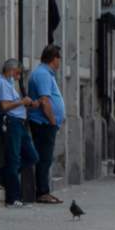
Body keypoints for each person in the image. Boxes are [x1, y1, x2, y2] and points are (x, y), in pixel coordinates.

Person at [0, 59, 38, 208]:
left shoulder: (9, 84)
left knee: (32, 156)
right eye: (18, 73)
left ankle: (2, 173)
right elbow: (5, 106)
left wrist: (29, 105)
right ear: (11, 70)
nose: (19, 77)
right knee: (14, 159)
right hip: (12, 122)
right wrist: (22, 102)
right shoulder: (1, 83)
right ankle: (13, 198)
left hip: (19, 123)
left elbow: (15, 104)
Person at [27, 44, 65, 204]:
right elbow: (44, 100)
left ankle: (45, 191)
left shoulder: (46, 74)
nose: (60, 62)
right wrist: (53, 120)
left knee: (46, 158)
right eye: (59, 58)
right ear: (54, 58)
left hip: (46, 123)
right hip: (43, 123)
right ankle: (42, 192)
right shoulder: (42, 74)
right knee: (44, 158)